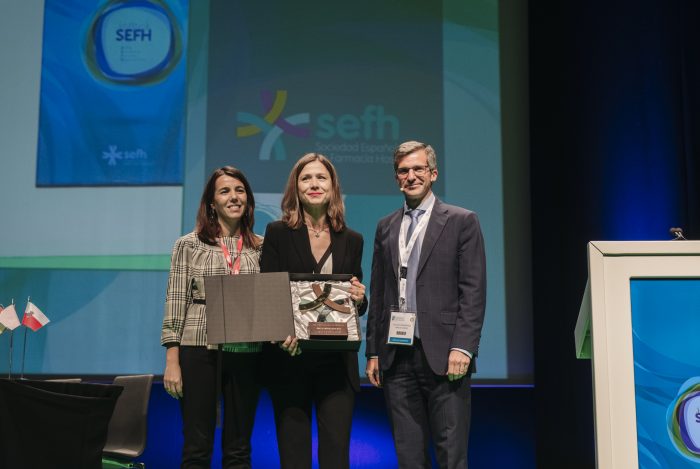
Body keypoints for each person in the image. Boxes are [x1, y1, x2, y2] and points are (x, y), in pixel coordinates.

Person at [365, 141, 486, 469]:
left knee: (451, 454)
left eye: (419, 169)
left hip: (445, 355)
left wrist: (464, 346)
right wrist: (373, 351)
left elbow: (473, 291)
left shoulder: (462, 221)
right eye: (404, 170)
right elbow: (378, 293)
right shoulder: (386, 226)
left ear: (433, 174)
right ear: (396, 178)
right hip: (396, 356)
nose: (411, 176)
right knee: (408, 457)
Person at [260, 152, 367, 469]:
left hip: (336, 365)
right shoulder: (278, 232)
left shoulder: (353, 239)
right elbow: (269, 291)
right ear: (296, 187)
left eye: (321, 177)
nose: (314, 183)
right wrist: (282, 334)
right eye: (306, 178)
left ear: (333, 186)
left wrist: (361, 299)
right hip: (289, 361)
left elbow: (353, 302)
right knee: (294, 458)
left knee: (336, 457)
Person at [161, 166, 263, 468]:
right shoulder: (188, 245)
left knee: (239, 449)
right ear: (212, 203)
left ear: (248, 199)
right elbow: (176, 300)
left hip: (247, 349)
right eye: (225, 191)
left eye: (240, 190)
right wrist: (172, 360)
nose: (234, 197)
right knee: (197, 446)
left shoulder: (262, 246)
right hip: (198, 348)